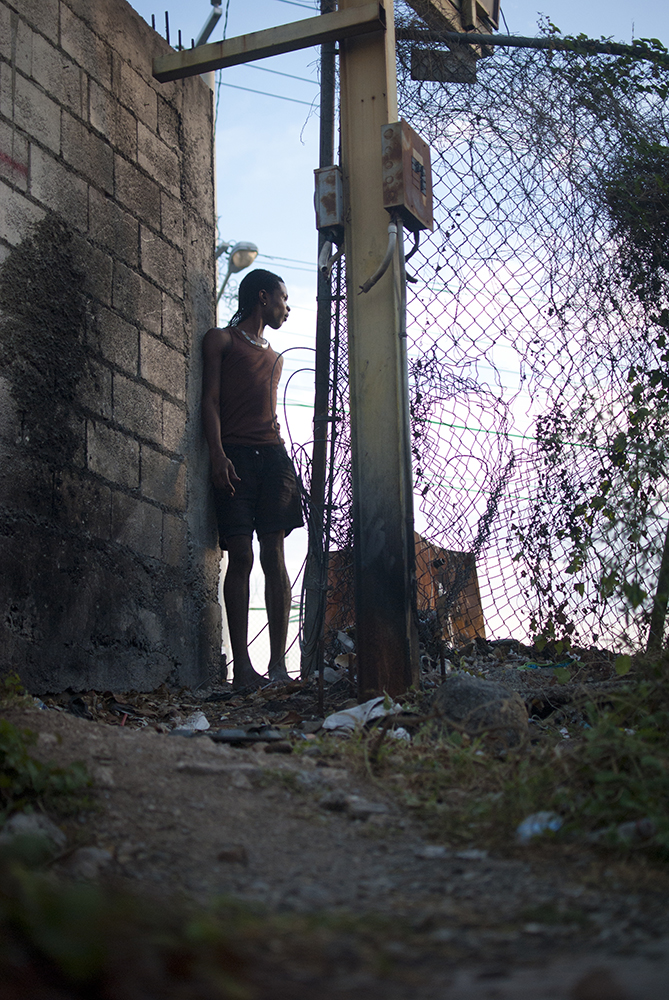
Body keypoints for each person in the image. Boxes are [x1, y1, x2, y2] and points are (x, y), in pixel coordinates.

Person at [202, 270, 304, 689]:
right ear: (262, 298)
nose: (287, 307)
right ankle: (243, 668)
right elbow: (208, 401)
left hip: (275, 460)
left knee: (274, 555)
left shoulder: (276, 358)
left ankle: (278, 667)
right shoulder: (220, 341)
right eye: (283, 298)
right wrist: (218, 454)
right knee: (240, 556)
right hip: (236, 459)